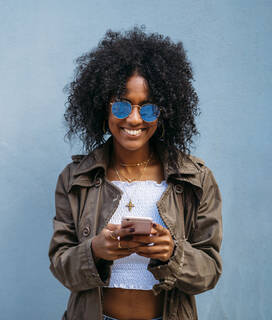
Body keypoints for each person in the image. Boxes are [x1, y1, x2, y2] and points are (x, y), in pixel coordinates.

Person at [48, 26, 223, 320]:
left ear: (165, 112)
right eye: (121, 105)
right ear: (102, 106)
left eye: (149, 108)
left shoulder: (195, 179)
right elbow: (60, 265)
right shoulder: (76, 178)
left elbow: (209, 273)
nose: (134, 118)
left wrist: (173, 253)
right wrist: (95, 250)